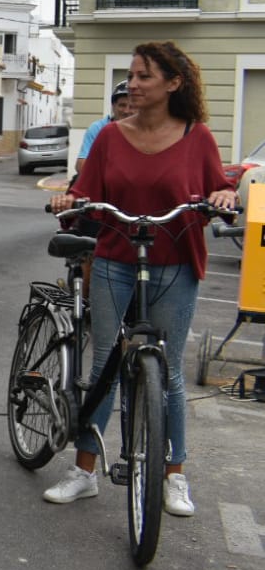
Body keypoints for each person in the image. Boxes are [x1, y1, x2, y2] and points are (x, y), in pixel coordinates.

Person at [44, 41, 236, 516]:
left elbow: (220, 186)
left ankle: (175, 475)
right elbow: (84, 192)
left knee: (167, 370)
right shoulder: (110, 137)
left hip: (175, 261)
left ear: (174, 83)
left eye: (145, 75)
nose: (134, 83)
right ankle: (84, 471)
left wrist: (222, 195)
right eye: (132, 74)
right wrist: (71, 202)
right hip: (114, 259)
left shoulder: (198, 137)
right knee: (105, 365)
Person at [75, 80, 132, 174]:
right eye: (122, 105)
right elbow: (81, 166)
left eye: (131, 106)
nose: (126, 111)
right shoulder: (98, 128)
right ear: (113, 106)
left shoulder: (145, 130)